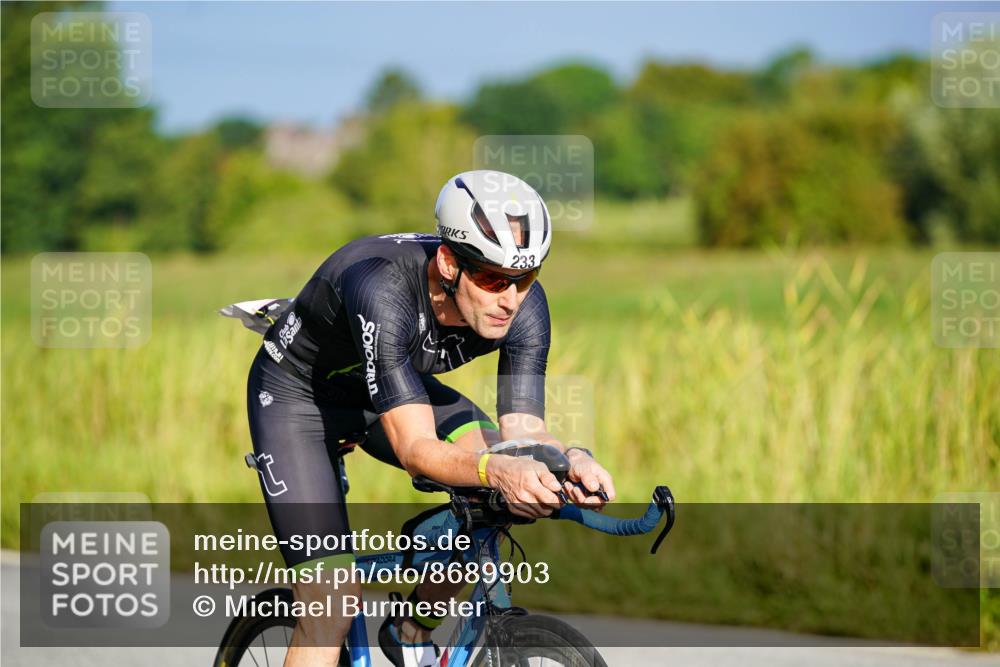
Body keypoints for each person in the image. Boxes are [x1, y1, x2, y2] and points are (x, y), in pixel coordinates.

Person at [245, 169, 616, 667]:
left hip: (392, 390)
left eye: (525, 277)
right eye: (491, 278)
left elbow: (523, 432)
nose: (509, 298)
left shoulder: (524, 308)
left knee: (493, 487)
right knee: (330, 601)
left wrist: (569, 460)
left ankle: (411, 628)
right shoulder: (381, 286)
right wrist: (498, 470)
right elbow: (417, 452)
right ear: (448, 263)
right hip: (298, 400)